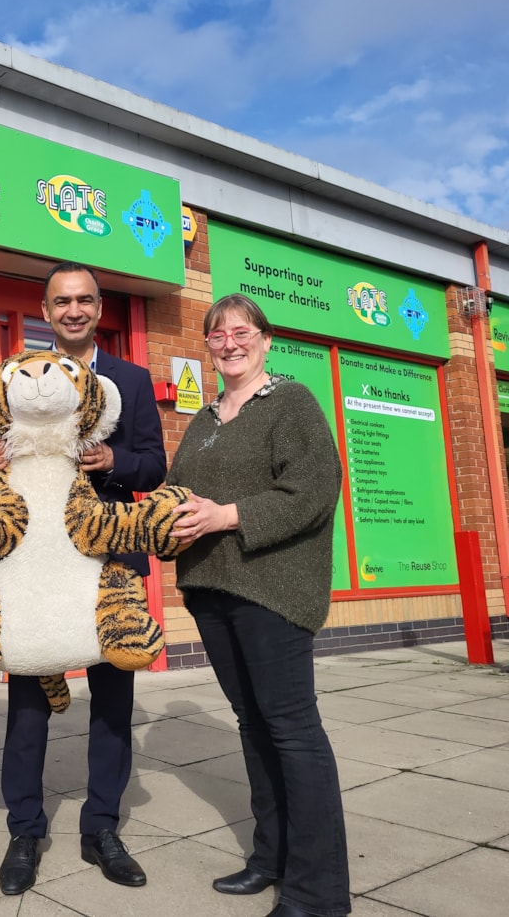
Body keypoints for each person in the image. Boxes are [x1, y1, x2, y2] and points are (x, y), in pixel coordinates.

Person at [166, 293, 349, 917]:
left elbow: (315, 490)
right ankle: (271, 857)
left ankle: (317, 891)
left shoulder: (290, 401)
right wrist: (159, 516)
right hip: (213, 591)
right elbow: (177, 491)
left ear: (265, 340)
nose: (229, 343)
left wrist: (226, 515)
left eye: (241, 332)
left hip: (272, 588)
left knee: (292, 731)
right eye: (217, 335)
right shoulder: (205, 417)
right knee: (254, 727)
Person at [0, 262, 168, 895]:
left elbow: (154, 461)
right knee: (28, 701)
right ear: (44, 309)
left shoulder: (133, 379)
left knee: (113, 703)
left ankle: (101, 829)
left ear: (99, 309)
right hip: (37, 564)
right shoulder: (19, 377)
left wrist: (115, 459)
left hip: (107, 565)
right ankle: (24, 829)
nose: (73, 310)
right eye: (61, 301)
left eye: (85, 300)